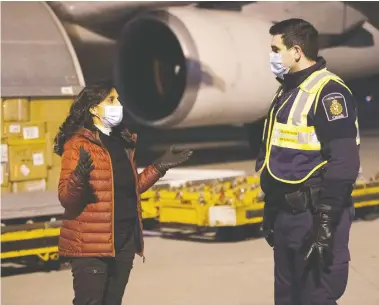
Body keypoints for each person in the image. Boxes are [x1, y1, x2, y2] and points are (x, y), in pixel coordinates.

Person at [54, 82, 193, 305]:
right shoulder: (77, 144)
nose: (118, 104)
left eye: (117, 99)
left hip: (123, 242)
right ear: (93, 108)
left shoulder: (122, 142)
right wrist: (79, 176)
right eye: (110, 100)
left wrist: (159, 166)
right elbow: (67, 199)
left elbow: (130, 188)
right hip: (91, 245)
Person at [255, 19, 360, 305]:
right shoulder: (287, 90)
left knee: (316, 297)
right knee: (287, 298)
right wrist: (272, 208)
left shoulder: (328, 93)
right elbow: (279, 157)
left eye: (276, 49)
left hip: (315, 217)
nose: (272, 56)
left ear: (297, 51)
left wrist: (325, 224)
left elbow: (343, 163)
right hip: (287, 216)